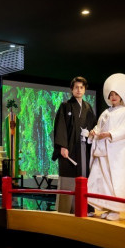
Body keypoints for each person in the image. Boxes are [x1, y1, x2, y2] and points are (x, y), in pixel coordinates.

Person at [87, 73, 125, 221]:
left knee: (113, 180)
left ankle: (116, 210)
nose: (113, 97)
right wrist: (94, 132)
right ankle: (108, 208)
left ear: (121, 96)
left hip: (115, 152)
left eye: (116, 94)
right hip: (103, 150)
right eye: (111, 94)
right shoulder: (106, 112)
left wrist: (110, 134)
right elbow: (99, 127)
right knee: (101, 180)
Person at [51, 76, 97, 215]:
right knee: (68, 177)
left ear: (85, 90)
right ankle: (65, 210)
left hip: (84, 148)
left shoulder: (88, 108)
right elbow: (60, 127)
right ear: (72, 89)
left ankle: (84, 209)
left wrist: (91, 133)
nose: (79, 90)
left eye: (81, 87)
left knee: (84, 177)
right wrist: (62, 146)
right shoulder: (65, 106)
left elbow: (94, 126)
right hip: (69, 149)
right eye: (76, 87)